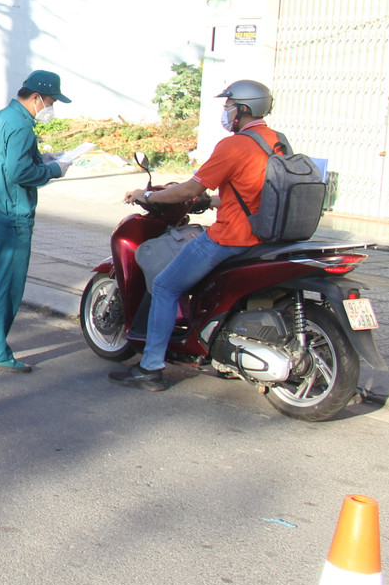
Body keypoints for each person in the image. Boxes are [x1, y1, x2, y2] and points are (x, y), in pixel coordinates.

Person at [110, 79, 279, 392]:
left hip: (230, 239)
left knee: (164, 285)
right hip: (265, 238)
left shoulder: (235, 145)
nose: (225, 111)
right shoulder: (276, 142)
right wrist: (212, 201)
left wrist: (148, 197)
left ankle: (151, 368)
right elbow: (251, 193)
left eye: (228, 105)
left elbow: (189, 189)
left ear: (243, 109)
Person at [0, 70, 75, 374]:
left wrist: (44, 158)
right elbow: (19, 173)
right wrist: (55, 170)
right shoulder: (23, 126)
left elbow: (6, 160)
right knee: (6, 284)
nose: (52, 107)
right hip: (13, 215)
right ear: (37, 97)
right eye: (51, 101)